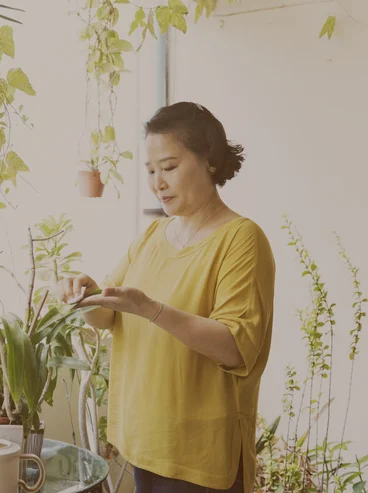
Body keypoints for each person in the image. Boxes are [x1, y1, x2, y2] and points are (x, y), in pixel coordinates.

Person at [54, 102, 275, 493]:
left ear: (209, 161)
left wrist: (150, 309)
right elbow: (108, 315)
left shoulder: (241, 239)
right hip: (147, 443)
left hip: (200, 458)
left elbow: (235, 347)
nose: (158, 182)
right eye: (151, 170)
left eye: (169, 167)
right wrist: (88, 295)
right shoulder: (153, 236)